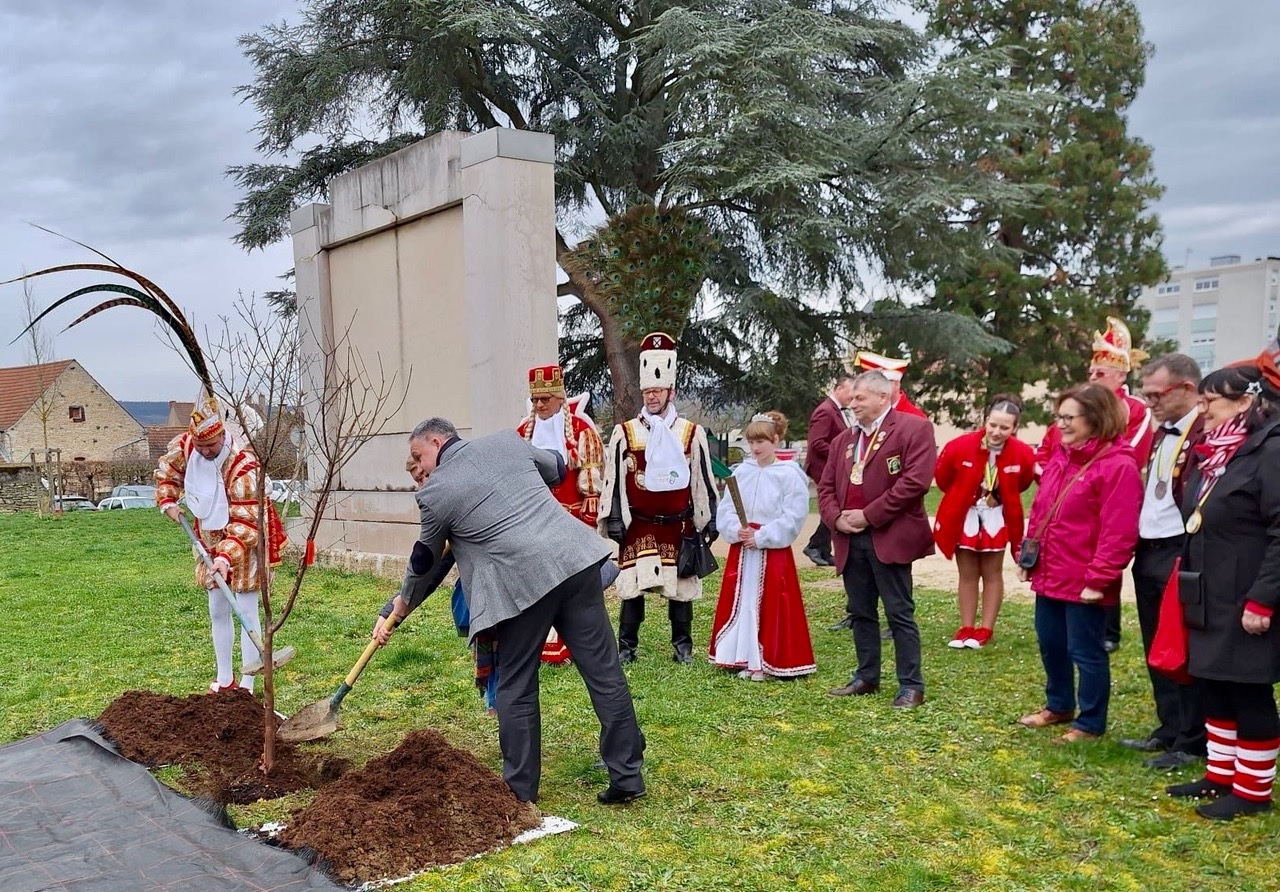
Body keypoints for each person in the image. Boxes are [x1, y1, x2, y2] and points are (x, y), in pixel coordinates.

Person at [375, 418, 645, 806]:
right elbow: (557, 467)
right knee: (604, 672)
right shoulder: (508, 441)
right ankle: (628, 776)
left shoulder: (436, 493)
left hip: (521, 586)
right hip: (575, 562)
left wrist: (399, 606)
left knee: (515, 686)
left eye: (419, 456)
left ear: (436, 441)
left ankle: (519, 791)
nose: (421, 467)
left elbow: (423, 561)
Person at [1165, 352, 1280, 820]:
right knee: (1215, 683)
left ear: (1245, 402)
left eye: (1211, 400)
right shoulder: (1219, 453)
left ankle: (1252, 792)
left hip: (1247, 594)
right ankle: (1220, 773)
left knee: (1247, 690)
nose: (1204, 409)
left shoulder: (1271, 449)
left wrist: (1264, 598)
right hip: (1209, 590)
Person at [1017, 384, 1141, 743]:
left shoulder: (1118, 467)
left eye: (1069, 418)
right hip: (1051, 570)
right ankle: (1059, 705)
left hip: (1085, 578)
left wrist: (1099, 577)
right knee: (1050, 642)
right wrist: (1030, 553)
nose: (1062, 424)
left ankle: (1090, 723)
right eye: (1060, 417)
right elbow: (1042, 509)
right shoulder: (1061, 455)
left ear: (1096, 419)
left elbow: (1118, 530)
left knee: (1085, 652)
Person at [1033, 316, 1154, 654]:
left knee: (1103, 553)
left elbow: (1132, 451)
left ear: (1121, 374)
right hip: (1069, 490)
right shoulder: (1074, 410)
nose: (1093, 378)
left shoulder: (1134, 409)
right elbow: (1050, 447)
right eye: (1091, 373)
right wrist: (1051, 474)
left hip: (1107, 487)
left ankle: (1109, 630)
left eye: (1100, 373)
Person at [599, 332, 718, 664]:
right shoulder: (625, 432)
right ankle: (627, 647)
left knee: (680, 587)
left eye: (657, 391)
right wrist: (613, 517)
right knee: (632, 588)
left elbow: (703, 479)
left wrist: (710, 518)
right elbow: (613, 480)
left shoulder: (691, 432)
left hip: (677, 525)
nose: (651, 397)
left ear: (671, 392)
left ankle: (683, 647)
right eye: (647, 391)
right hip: (638, 524)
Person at [155, 396, 286, 694]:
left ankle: (248, 683)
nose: (204, 451)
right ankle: (224, 678)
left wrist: (226, 557)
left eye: (210, 447)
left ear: (222, 436)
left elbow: (245, 521)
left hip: (246, 540)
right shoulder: (188, 449)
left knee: (247, 610)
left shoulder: (243, 467)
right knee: (217, 608)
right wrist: (168, 501)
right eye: (200, 447)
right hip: (209, 537)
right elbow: (169, 475)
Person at [820, 371, 936, 708]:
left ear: (883, 397)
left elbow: (914, 483)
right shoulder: (845, 440)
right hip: (850, 539)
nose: (852, 404)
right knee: (860, 611)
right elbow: (826, 487)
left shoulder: (914, 429)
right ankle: (866, 676)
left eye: (859, 398)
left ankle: (911, 685)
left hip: (889, 537)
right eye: (851, 398)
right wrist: (836, 518)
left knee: (899, 612)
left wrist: (869, 515)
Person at [1119, 354, 1207, 769]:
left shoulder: (1206, 430)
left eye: (1157, 394)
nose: (1149, 402)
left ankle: (1192, 738)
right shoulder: (1160, 431)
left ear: (1187, 389)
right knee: (1156, 644)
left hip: (1180, 548)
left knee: (1181, 646)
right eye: (1146, 394)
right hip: (1149, 547)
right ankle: (1168, 726)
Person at [708, 411, 816, 680]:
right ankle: (742, 654)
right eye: (751, 442)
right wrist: (737, 529)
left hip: (771, 550)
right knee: (743, 599)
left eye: (761, 442)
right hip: (743, 548)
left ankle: (768, 660)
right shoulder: (742, 472)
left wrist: (764, 536)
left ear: (776, 440)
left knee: (771, 600)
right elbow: (727, 508)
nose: (755, 448)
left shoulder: (789, 475)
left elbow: (794, 516)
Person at [516, 364, 606, 664]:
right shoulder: (521, 434)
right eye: (536, 400)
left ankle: (571, 643)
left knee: (571, 587)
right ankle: (539, 644)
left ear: (559, 398)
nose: (540, 405)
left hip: (571, 522)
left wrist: (589, 520)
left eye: (546, 399)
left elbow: (592, 481)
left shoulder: (582, 429)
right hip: (533, 524)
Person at [932, 395, 1036, 649]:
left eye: (1004, 427)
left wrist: (998, 496)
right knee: (967, 573)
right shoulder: (960, 445)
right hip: (966, 515)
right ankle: (966, 626)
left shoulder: (1022, 453)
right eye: (993, 425)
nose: (996, 432)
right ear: (985, 421)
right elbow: (943, 477)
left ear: (1014, 428)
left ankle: (986, 628)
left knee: (992, 573)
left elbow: (1023, 481)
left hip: (995, 517)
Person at [802, 375, 855, 568]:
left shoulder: (838, 411)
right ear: (838, 389)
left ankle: (822, 548)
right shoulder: (825, 411)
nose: (853, 397)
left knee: (835, 504)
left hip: (832, 467)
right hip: (822, 468)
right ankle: (816, 546)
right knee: (833, 504)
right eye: (850, 391)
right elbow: (816, 443)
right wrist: (842, 453)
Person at [851, 350, 928, 419]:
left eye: (881, 383)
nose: (875, 389)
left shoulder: (914, 417)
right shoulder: (868, 414)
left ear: (896, 384)